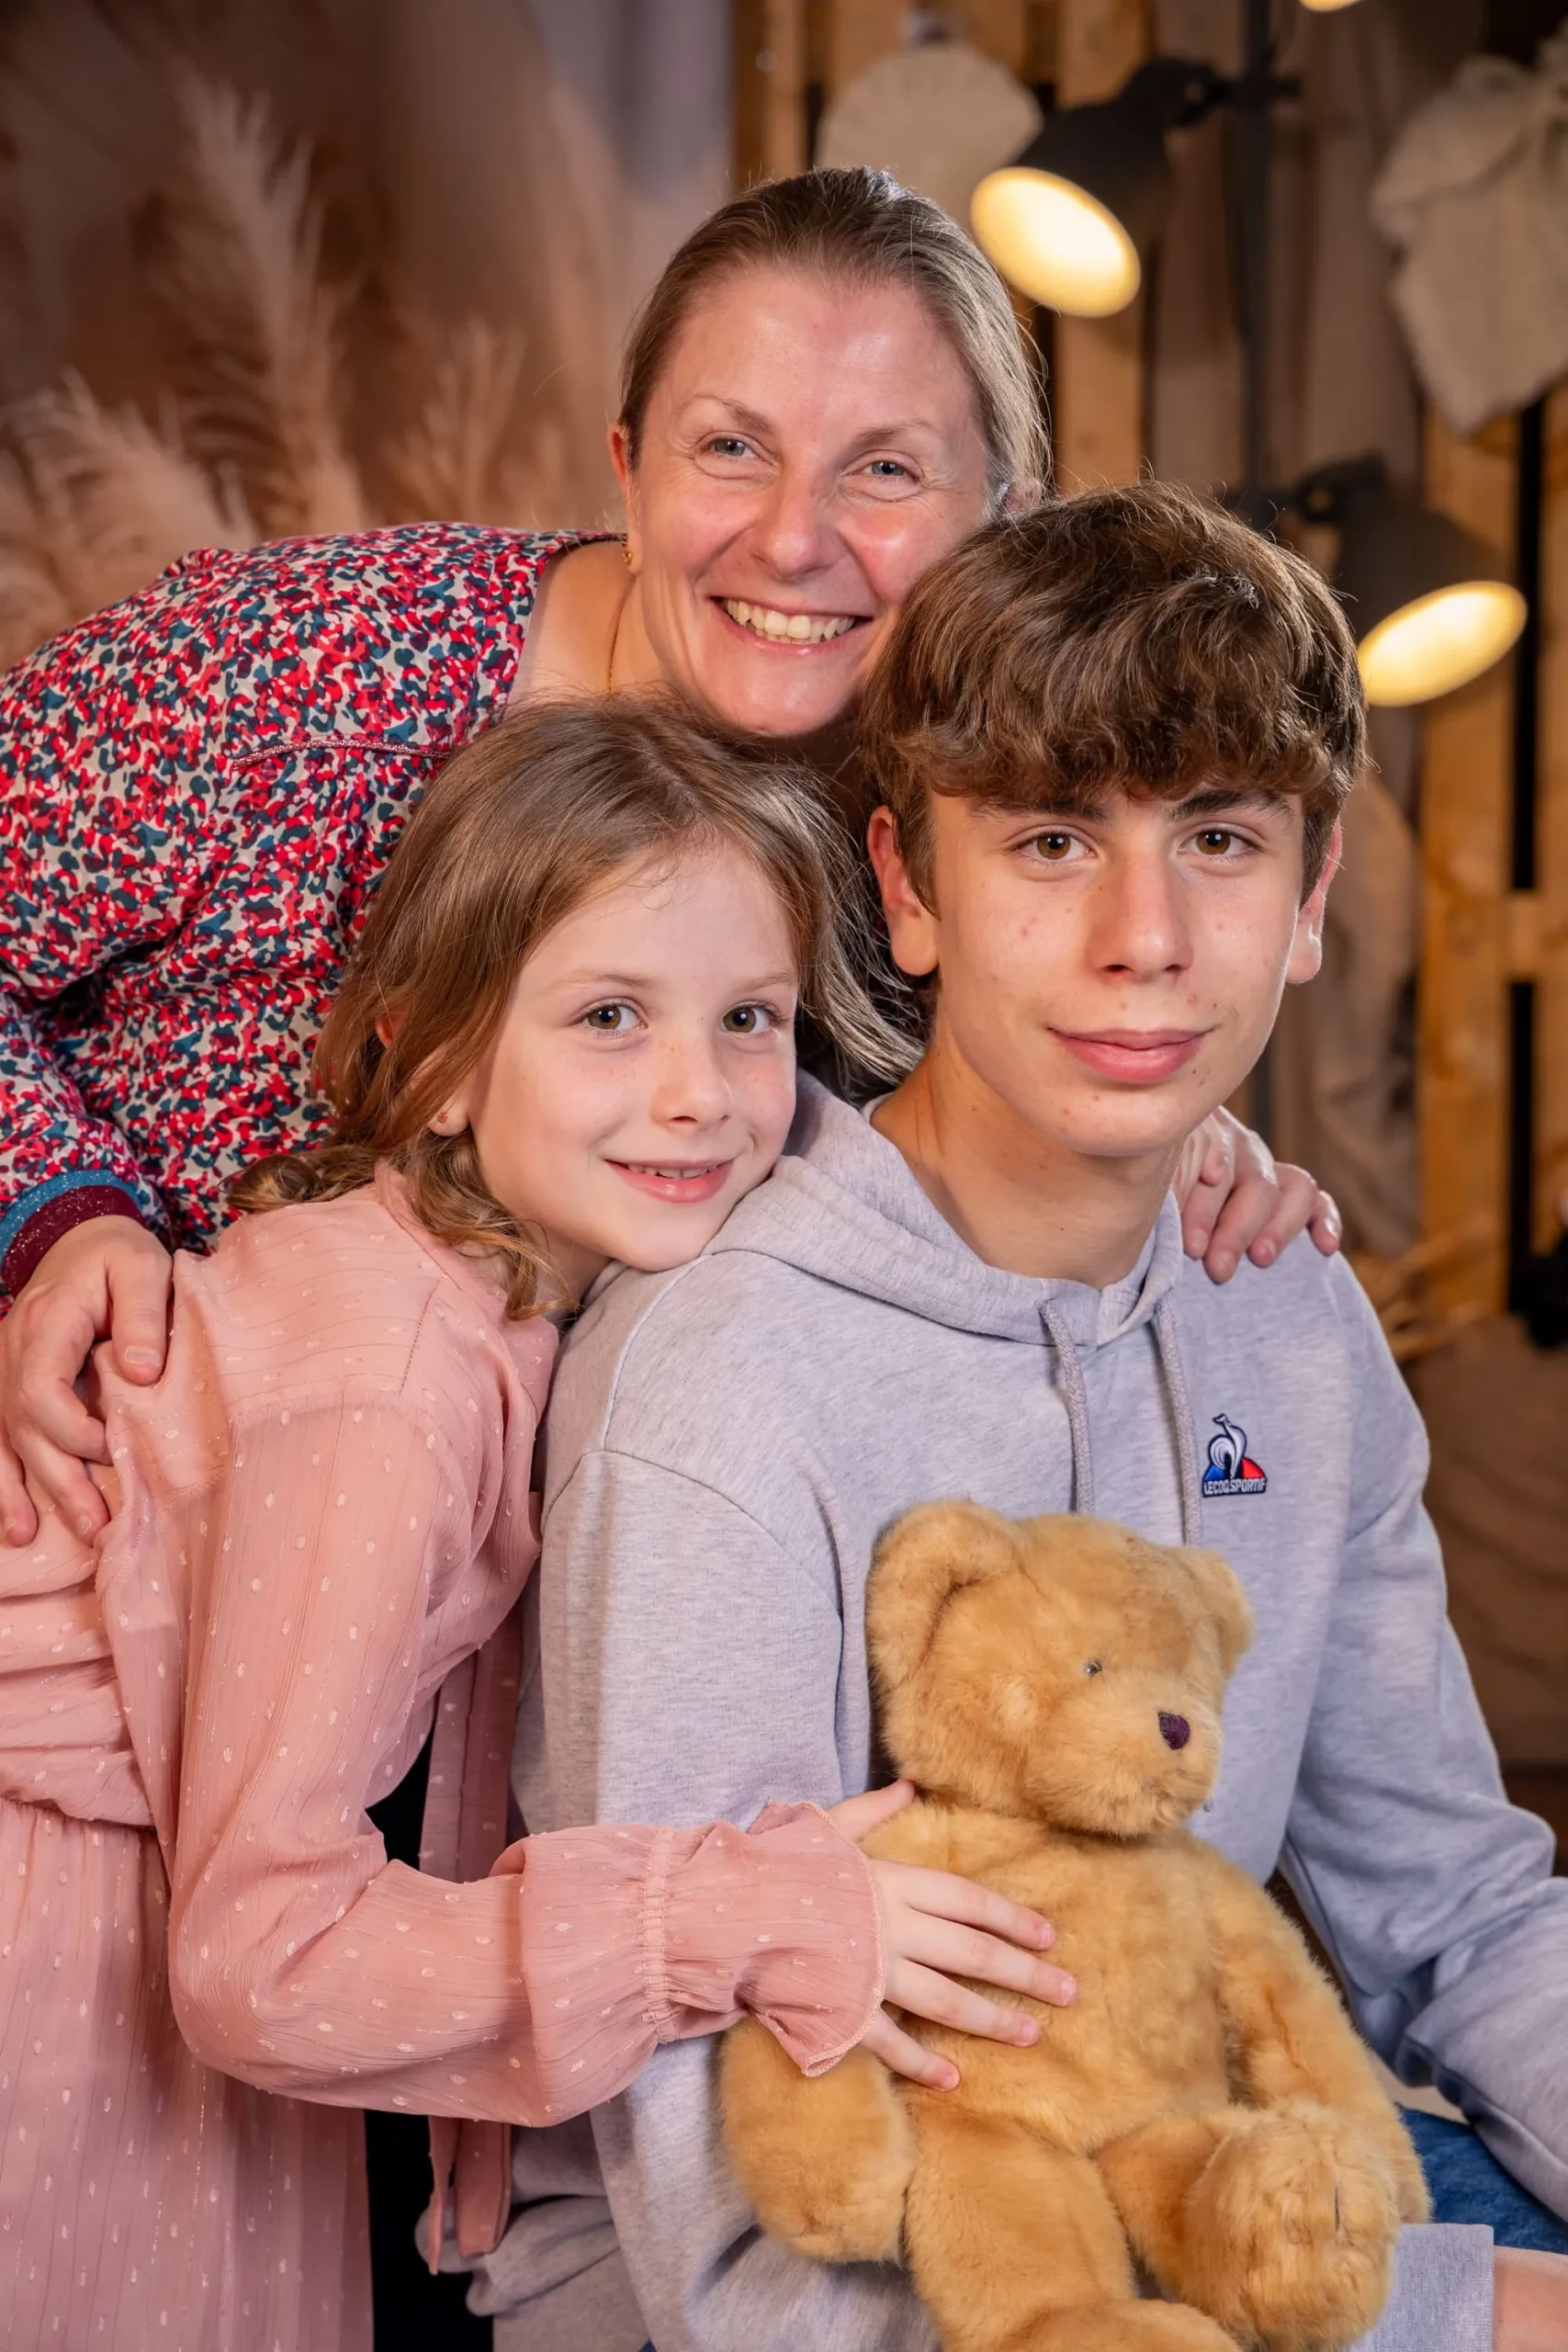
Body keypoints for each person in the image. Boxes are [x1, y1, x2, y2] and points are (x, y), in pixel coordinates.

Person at [495, 487, 1568, 2352]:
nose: (1143, 937)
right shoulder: (725, 1384)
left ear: (1312, 899)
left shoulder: (1285, 1318)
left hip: (1195, 2190)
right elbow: (731, 2254)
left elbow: (1457, 1915)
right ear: (906, 887)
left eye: (1220, 839)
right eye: (1054, 840)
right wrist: (1463, 2314)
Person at [0, 168, 1337, 1554]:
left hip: (521, 1626)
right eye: (729, 449)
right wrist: (59, 1219)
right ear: (630, 470)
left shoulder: (953, 831)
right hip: (108, 1528)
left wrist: (1150, 1128)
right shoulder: (312, 670)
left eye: (883, 468)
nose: (791, 538)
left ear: (998, 514)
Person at [0, 699, 1082, 2352]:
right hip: (65, 1960)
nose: (696, 1095)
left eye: (748, 1020)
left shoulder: (522, 1270)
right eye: (605, 1016)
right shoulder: (388, 1398)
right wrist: (724, 1918)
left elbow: (876, 1152)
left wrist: (1189, 1151)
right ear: (437, 1067)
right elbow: (261, 1960)